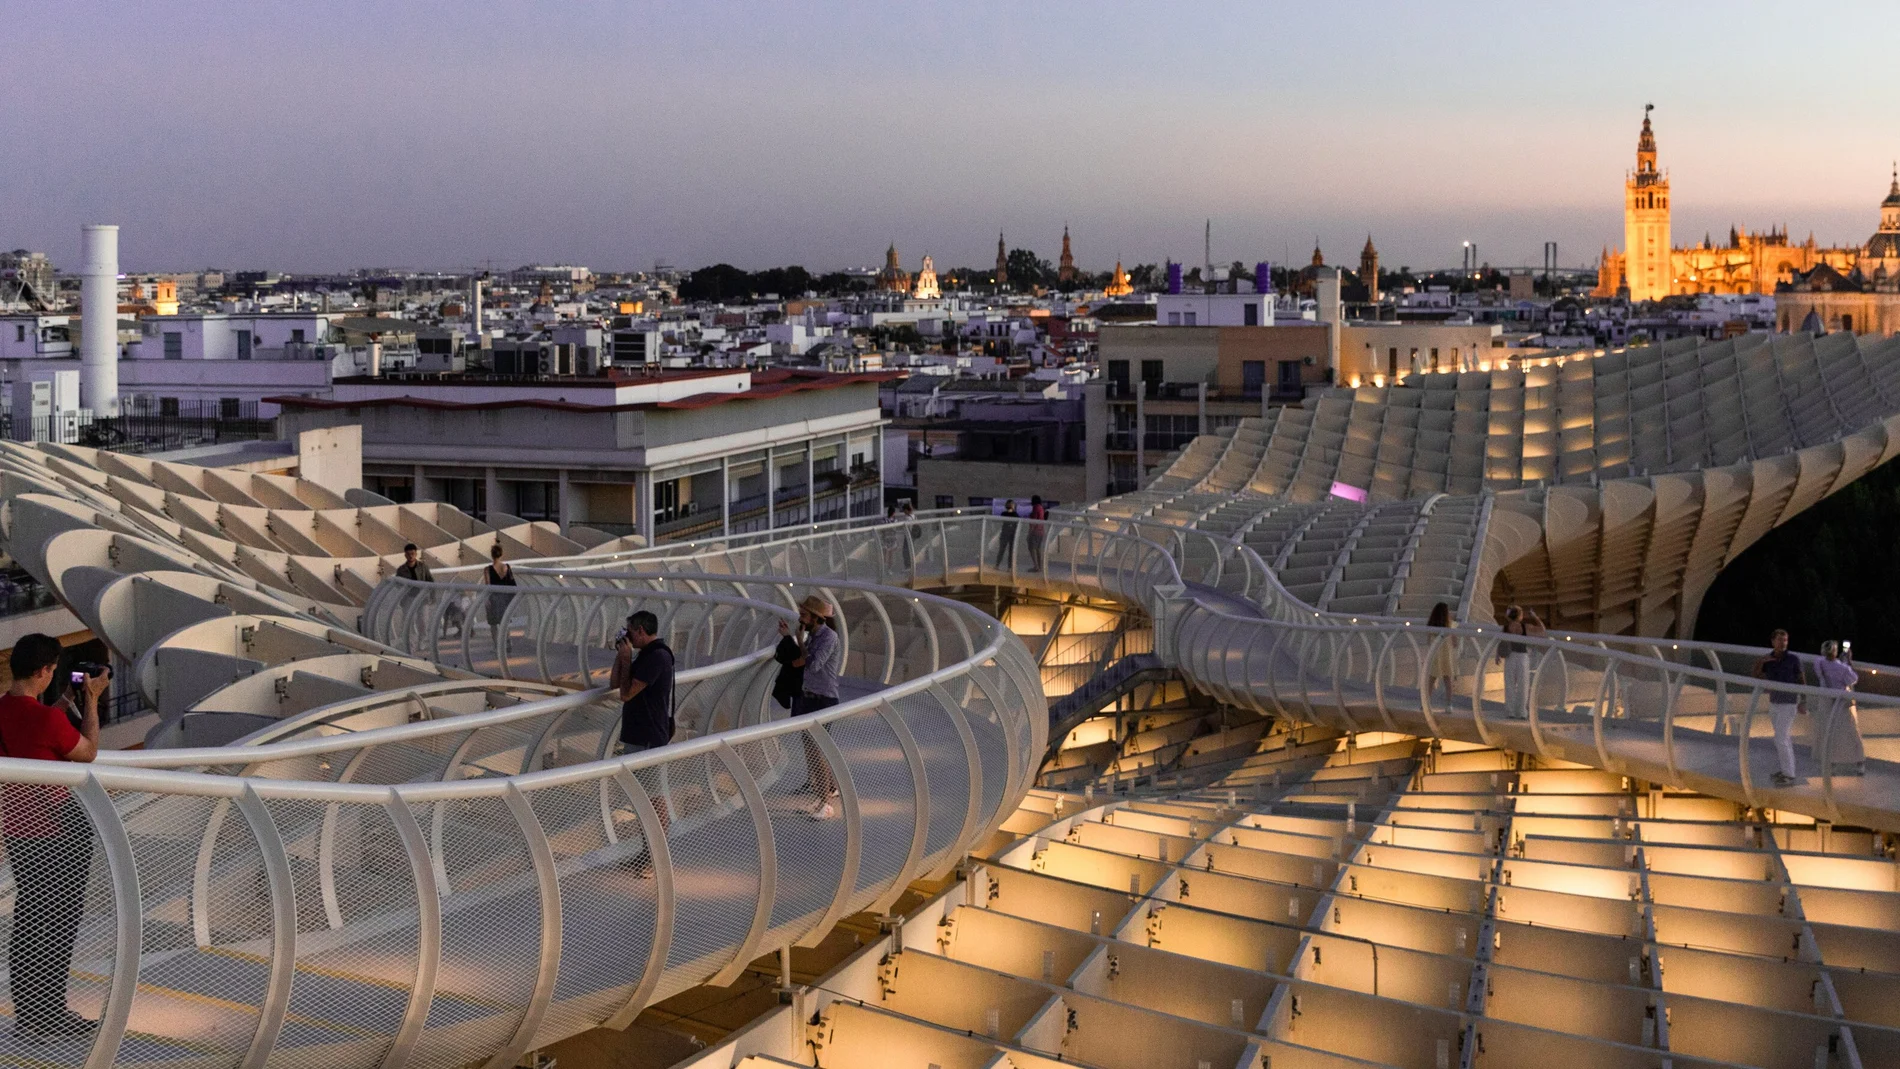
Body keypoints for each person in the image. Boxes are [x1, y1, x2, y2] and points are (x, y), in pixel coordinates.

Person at [0, 633, 108, 1042]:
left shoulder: (4, 710)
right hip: (58, 830)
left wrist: (64, 703)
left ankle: (30, 1017)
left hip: (19, 830)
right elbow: (90, 751)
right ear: (45, 671)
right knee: (60, 923)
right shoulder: (45, 720)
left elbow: (35, 741)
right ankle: (51, 1015)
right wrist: (92, 699)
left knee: (29, 920)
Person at [780, 595, 842, 819]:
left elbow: (814, 664)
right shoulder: (814, 636)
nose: (801, 618)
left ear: (817, 618)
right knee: (810, 749)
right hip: (807, 697)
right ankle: (821, 795)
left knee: (818, 750)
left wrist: (799, 652)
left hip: (822, 699)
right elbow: (803, 658)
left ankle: (826, 803)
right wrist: (794, 637)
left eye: (804, 615)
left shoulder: (828, 637)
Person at [1754, 628, 1806, 787]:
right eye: (1780, 640)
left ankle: (1789, 774)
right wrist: (1761, 663)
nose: (1783, 643)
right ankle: (1786, 770)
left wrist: (1803, 700)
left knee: (1781, 738)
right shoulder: (1768, 659)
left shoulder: (1793, 659)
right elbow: (1755, 675)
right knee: (1782, 738)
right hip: (1774, 702)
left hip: (1789, 703)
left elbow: (1801, 679)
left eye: (1785, 640)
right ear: (1773, 641)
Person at [1814, 640, 1866, 777]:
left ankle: (1831, 764)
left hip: (1826, 701)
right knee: (1851, 731)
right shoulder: (1843, 668)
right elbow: (1853, 679)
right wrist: (1847, 662)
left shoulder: (1818, 663)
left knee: (1829, 731)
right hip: (1842, 703)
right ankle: (1859, 763)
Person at [396, 542, 461, 637]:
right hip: (409, 598)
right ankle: (410, 640)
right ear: (405, 555)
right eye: (409, 554)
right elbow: (398, 584)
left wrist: (432, 596)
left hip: (423, 598)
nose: (411, 556)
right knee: (408, 620)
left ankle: (422, 639)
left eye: (412, 554)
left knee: (423, 620)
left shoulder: (423, 567)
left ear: (416, 554)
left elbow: (430, 582)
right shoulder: (401, 570)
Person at [1496, 605, 1544, 720]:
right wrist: (1535, 617)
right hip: (1522, 657)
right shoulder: (1524, 627)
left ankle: (1510, 711)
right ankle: (1522, 711)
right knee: (1523, 684)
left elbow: (1502, 641)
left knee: (1510, 684)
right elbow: (1542, 630)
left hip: (1510, 656)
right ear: (1519, 616)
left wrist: (1497, 654)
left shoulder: (1506, 627)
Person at [1426, 602, 1458, 709]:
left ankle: (1426, 703)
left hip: (1435, 655)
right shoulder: (1450, 624)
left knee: (1431, 680)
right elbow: (1455, 643)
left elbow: (1428, 640)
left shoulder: (1431, 624)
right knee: (1448, 680)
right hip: (1446, 655)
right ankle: (1449, 705)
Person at [483, 543, 517, 638]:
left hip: (494, 598)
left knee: (493, 624)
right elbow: (512, 583)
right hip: (505, 598)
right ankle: (507, 642)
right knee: (504, 622)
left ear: (491, 555)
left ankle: (496, 646)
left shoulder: (487, 570)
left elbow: (487, 586)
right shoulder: (506, 567)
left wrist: (487, 600)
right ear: (501, 554)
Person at [994, 499, 1020, 570]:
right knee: (1004, 550)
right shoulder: (1007, 514)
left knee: (1008, 550)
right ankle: (1000, 565)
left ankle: (1007, 566)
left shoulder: (1012, 514)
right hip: (1007, 533)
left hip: (1010, 534)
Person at [1027, 494, 1048, 571]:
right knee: (1038, 549)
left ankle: (1036, 566)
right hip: (1041, 531)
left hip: (1035, 532)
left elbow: (1034, 521)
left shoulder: (1035, 508)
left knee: (1031, 548)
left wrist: (1029, 533)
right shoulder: (1041, 508)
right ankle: (1039, 566)